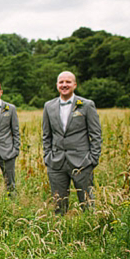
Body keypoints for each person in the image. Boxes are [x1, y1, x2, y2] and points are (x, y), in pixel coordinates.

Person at [42, 71, 102, 215]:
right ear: (57, 85)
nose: (64, 85)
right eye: (61, 82)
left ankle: (91, 233)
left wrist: (93, 159)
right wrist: (47, 157)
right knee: (59, 205)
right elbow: (46, 135)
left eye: (68, 82)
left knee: (87, 204)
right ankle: (59, 234)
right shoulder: (48, 106)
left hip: (82, 163)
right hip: (56, 163)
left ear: (74, 85)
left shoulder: (86, 105)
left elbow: (95, 134)